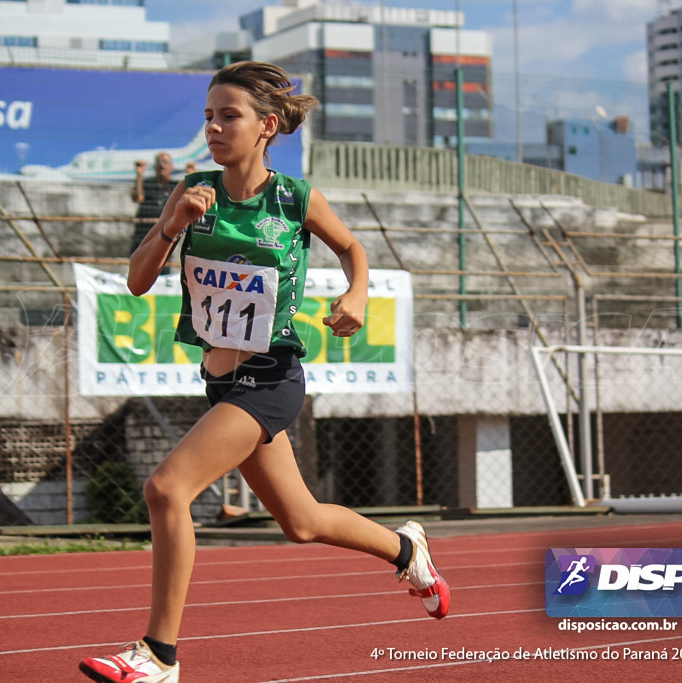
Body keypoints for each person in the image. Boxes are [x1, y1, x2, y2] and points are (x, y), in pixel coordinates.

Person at [79, 61, 450, 683]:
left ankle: (158, 656)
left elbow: (353, 249)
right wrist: (172, 227)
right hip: (221, 382)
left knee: (166, 489)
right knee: (301, 522)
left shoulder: (294, 197)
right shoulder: (193, 190)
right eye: (208, 117)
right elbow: (138, 282)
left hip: (272, 376)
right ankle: (408, 548)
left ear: (266, 126)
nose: (215, 128)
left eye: (230, 116)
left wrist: (356, 294)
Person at [130, 152, 179, 257]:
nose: (161, 165)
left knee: (162, 266)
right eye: (158, 162)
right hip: (144, 233)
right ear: (155, 167)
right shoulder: (148, 183)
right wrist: (139, 174)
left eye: (165, 162)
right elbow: (138, 198)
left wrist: (192, 172)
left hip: (164, 234)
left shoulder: (175, 186)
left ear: (171, 167)